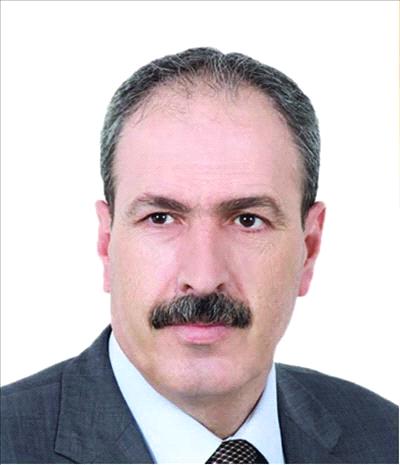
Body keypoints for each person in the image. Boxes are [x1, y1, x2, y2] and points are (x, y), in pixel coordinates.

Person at [1, 47, 398, 464]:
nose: (204, 277)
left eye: (248, 220)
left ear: (309, 249)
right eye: (160, 218)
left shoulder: (387, 439)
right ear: (106, 243)